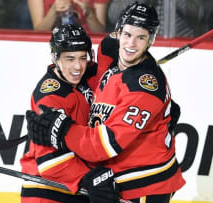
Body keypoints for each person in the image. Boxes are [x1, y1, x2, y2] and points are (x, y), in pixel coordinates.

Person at [26, 2, 185, 202]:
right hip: (115, 175)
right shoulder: (109, 50)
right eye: (127, 35)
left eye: (141, 37)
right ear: (117, 33)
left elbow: (104, 144)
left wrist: (62, 130)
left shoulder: (143, 88)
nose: (131, 44)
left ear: (150, 40)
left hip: (145, 182)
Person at [20, 24, 119, 203]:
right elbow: (50, 163)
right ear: (55, 57)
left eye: (82, 58)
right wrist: (90, 178)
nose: (77, 66)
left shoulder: (88, 75)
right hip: (47, 191)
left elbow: (115, 73)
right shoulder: (50, 96)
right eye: (69, 59)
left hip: (77, 190)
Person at [27, 0, 109, 32]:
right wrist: (53, 11)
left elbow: (100, 32)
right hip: (50, 45)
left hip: (86, 45)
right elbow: (38, 31)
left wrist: (89, 14)